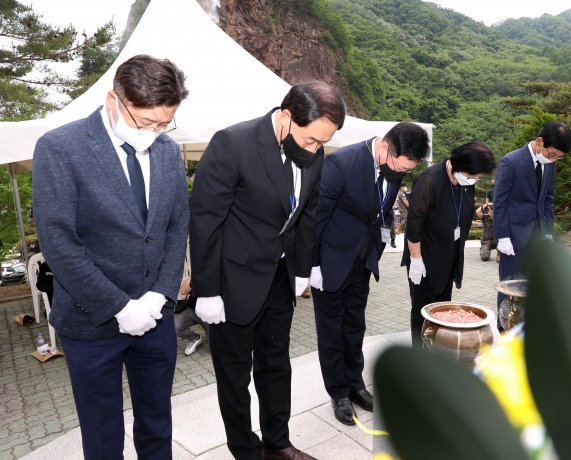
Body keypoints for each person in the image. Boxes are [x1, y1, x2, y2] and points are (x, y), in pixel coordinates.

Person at [32, 55, 190, 459]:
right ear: (113, 100)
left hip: (154, 318)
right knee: (102, 434)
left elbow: (176, 228)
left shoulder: (168, 152)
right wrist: (120, 307)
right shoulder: (60, 148)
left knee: (157, 422)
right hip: (91, 322)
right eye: (145, 122)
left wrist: (160, 294)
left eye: (164, 124)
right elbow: (60, 243)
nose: (153, 133)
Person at [189, 81, 346, 460]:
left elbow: (307, 213)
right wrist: (207, 290)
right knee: (234, 374)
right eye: (311, 139)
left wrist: (303, 268)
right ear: (287, 117)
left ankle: (278, 443)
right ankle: (246, 451)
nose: (315, 149)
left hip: (279, 278)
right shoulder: (233, 143)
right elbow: (205, 221)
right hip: (232, 281)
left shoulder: (312, 153)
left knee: (276, 365)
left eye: (323, 143)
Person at [309, 123, 429, 425]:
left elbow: (382, 211)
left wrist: (378, 245)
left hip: (362, 261)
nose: (402, 173)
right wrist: (312, 265)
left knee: (354, 326)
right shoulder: (342, 163)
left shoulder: (393, 168)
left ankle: (355, 384)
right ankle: (338, 393)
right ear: (385, 148)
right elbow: (317, 218)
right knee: (331, 330)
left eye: (408, 170)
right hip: (330, 262)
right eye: (401, 167)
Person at [402, 142, 496, 348]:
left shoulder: (465, 183)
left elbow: (463, 214)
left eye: (477, 177)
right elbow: (414, 224)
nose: (473, 180)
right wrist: (416, 259)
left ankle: (439, 353)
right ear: (459, 165)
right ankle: (420, 357)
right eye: (472, 175)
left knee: (443, 309)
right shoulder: (429, 180)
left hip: (448, 256)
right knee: (423, 312)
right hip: (425, 257)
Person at [493, 122, 571, 322]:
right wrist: (502, 237)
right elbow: (499, 202)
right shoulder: (511, 161)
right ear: (539, 142)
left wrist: (547, 232)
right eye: (552, 154)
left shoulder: (549, 164)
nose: (553, 159)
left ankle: (527, 327)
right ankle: (504, 329)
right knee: (509, 285)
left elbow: (547, 200)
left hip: (537, 237)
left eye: (557, 157)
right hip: (513, 237)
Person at [175, 277, 209, 356]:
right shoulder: (199, 273)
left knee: (216, 348)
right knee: (175, 326)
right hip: (194, 310)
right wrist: (196, 273)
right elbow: (183, 291)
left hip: (213, 314)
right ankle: (194, 338)